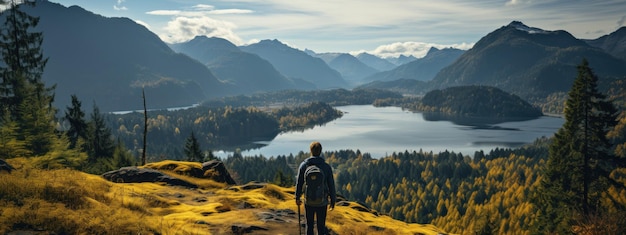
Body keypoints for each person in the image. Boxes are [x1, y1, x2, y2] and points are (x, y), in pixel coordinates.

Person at [295, 141, 337, 235]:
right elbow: (331, 185)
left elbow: (299, 183)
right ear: (320, 151)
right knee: (321, 226)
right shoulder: (326, 167)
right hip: (322, 201)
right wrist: (333, 200)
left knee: (309, 225)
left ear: (311, 151)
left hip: (308, 201)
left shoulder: (304, 165)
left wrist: (297, 197)